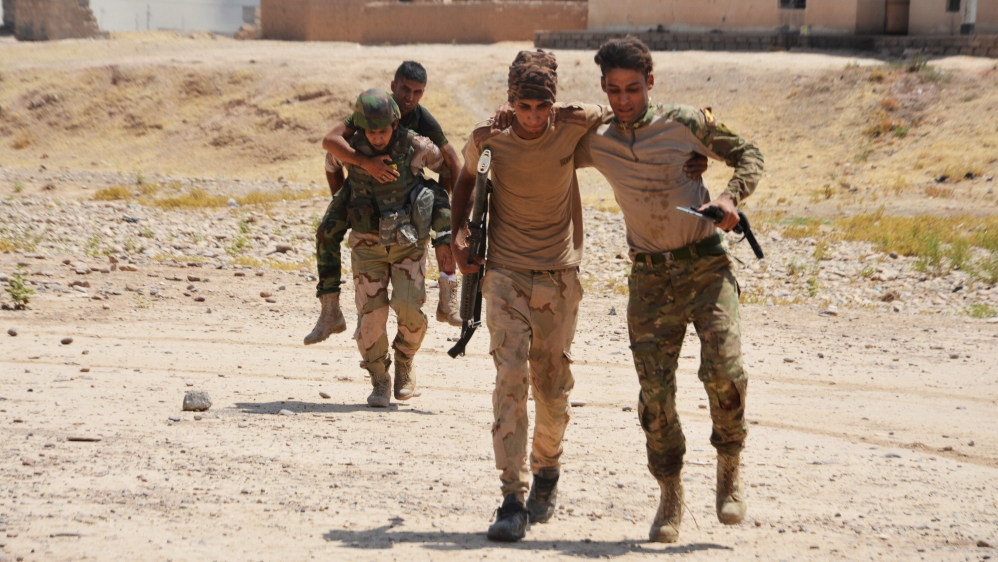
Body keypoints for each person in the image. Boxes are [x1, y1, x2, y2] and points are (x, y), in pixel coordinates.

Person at [573, 36, 764, 543]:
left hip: (705, 265)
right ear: (603, 89)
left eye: (632, 89)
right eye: (613, 90)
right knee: (655, 394)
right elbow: (542, 147)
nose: (623, 99)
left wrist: (728, 195)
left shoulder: (684, 122)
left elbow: (748, 153)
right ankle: (670, 493)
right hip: (650, 277)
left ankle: (729, 468)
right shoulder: (597, 138)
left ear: (650, 83)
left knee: (724, 371)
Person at [450, 49, 615, 543]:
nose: (533, 118)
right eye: (524, 107)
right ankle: (511, 497)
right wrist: (457, 236)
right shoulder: (489, 137)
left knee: (552, 386)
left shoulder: (569, 127)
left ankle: (548, 469)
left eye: (542, 108)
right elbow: (463, 179)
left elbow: (611, 111)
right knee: (510, 375)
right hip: (504, 273)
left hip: (559, 276)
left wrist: (571, 112)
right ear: (510, 102)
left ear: (553, 104)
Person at [308, 89, 451, 407]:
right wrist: (345, 198)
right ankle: (380, 379)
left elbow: (448, 169)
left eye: (382, 130)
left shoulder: (416, 145)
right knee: (371, 317)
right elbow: (332, 163)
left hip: (407, 245)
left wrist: (431, 206)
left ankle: (404, 361)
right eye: (370, 131)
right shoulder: (350, 148)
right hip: (366, 245)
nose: (376, 137)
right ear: (360, 128)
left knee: (410, 310)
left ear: (395, 124)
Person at [321, 61, 464, 328]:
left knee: (448, 221)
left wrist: (455, 208)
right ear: (393, 87)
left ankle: (448, 296)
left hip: (407, 186)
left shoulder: (422, 120)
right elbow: (330, 145)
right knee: (326, 231)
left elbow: (452, 161)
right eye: (405, 89)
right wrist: (352, 181)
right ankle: (329, 311)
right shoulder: (376, 109)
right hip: (362, 184)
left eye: (417, 92)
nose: (410, 97)